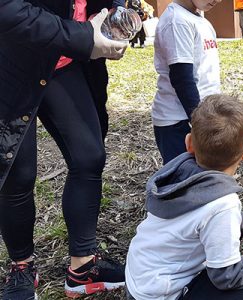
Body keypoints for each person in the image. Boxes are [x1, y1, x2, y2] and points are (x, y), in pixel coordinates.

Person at [0, 1, 129, 299]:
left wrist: (116, 16)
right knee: (17, 172)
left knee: (88, 156)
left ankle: (82, 266)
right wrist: (84, 38)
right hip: (12, 62)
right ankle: (21, 265)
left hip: (65, 61)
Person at [125, 94, 243, 300]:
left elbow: (194, 215)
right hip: (161, 295)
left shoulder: (178, 174)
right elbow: (226, 276)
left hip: (139, 283)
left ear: (189, 143)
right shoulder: (223, 205)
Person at [152, 0, 222, 164]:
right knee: (183, 182)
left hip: (200, 116)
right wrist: (199, 122)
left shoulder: (198, 19)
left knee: (201, 179)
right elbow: (182, 79)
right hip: (180, 121)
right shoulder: (177, 21)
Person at [83, 0, 126, 142]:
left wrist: (117, 11)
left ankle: (97, 145)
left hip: (94, 45)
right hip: (60, 44)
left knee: (97, 100)